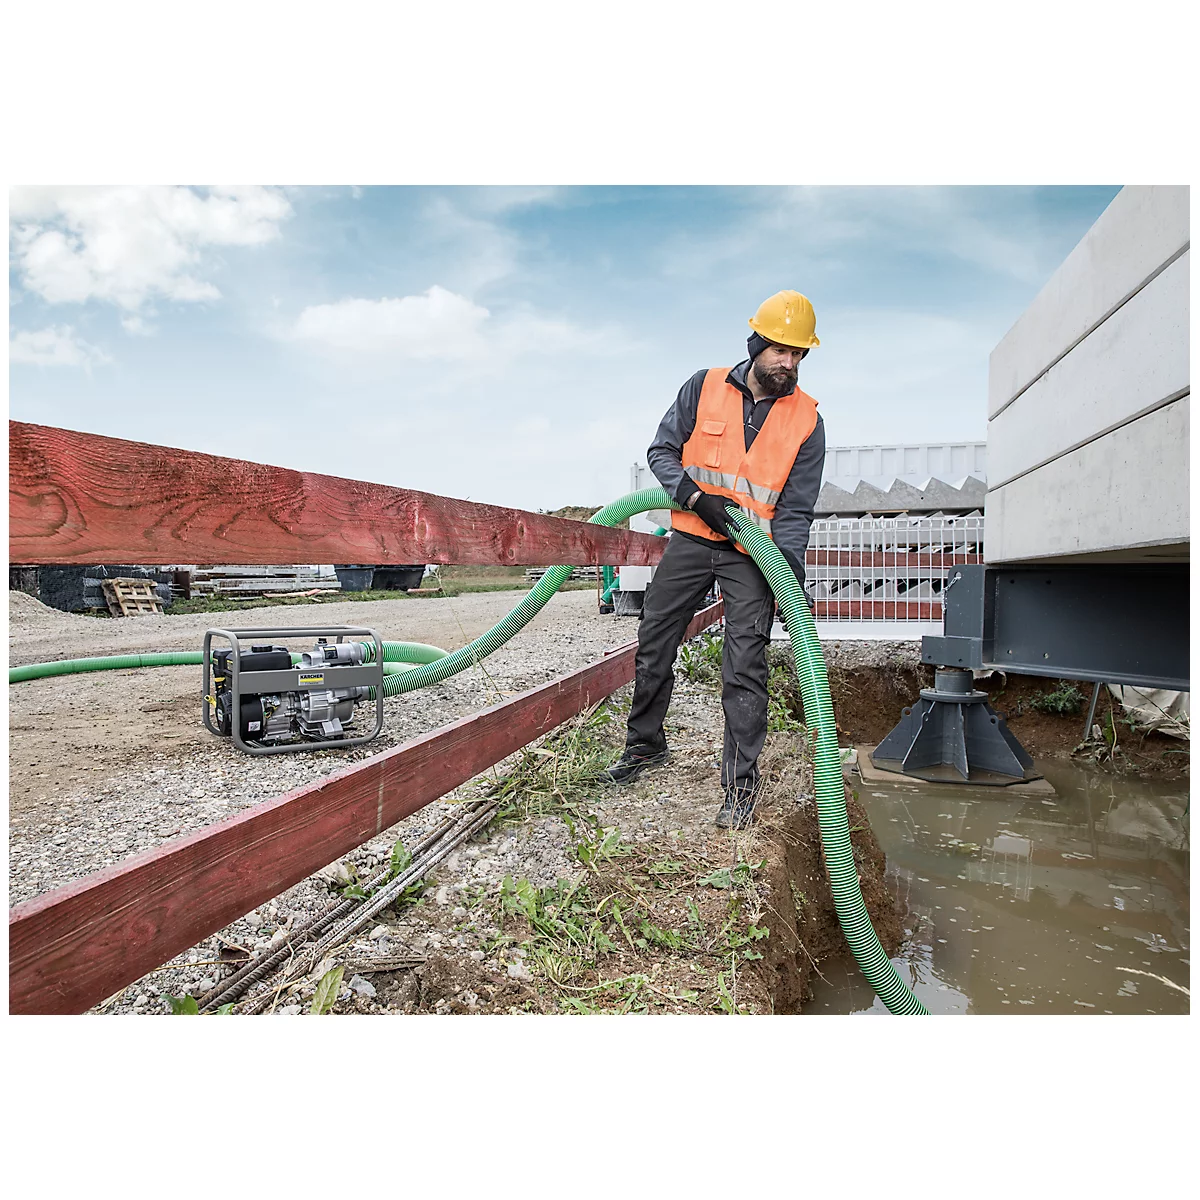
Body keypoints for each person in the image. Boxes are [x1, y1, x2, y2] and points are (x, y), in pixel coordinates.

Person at [606, 290, 826, 829]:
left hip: (755, 554)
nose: (789, 363)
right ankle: (645, 746)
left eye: (798, 354)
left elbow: (795, 511)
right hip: (692, 536)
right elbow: (662, 451)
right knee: (655, 637)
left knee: (745, 664)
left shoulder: (808, 421)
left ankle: (740, 786)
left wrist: (787, 576)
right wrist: (698, 498)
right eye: (780, 350)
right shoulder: (702, 387)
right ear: (756, 343)